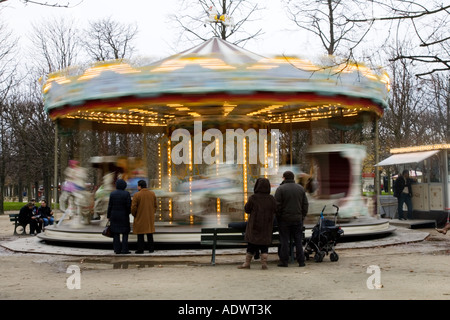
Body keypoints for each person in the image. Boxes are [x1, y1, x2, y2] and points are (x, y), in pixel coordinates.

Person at [238, 178, 277, 270]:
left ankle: (247, 263)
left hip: (254, 226)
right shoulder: (271, 199)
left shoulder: (253, 198)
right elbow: (276, 210)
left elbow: (247, 210)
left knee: (251, 245)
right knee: (264, 245)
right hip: (266, 226)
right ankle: (264, 264)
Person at [275, 170, 309, 267]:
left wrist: (279, 216)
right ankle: (301, 261)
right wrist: (302, 216)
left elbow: (277, 205)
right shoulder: (300, 188)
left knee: (284, 241)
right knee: (298, 241)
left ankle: (284, 261)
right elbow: (305, 204)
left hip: (284, 220)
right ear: (293, 178)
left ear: (284, 178)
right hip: (297, 219)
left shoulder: (280, 189)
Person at [131, 179, 157, 253]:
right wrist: (152, 212)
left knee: (140, 234)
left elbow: (133, 207)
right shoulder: (152, 194)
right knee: (149, 233)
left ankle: (140, 249)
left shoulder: (137, 195)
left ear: (140, 186)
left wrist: (134, 214)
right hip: (149, 217)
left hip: (140, 216)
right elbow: (155, 205)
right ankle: (151, 248)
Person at [107, 179, 132, 254]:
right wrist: (128, 212)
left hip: (114, 215)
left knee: (116, 233)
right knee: (125, 233)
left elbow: (110, 206)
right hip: (124, 215)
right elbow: (128, 205)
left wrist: (108, 215)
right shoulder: (126, 194)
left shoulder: (112, 194)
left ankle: (117, 249)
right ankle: (125, 249)